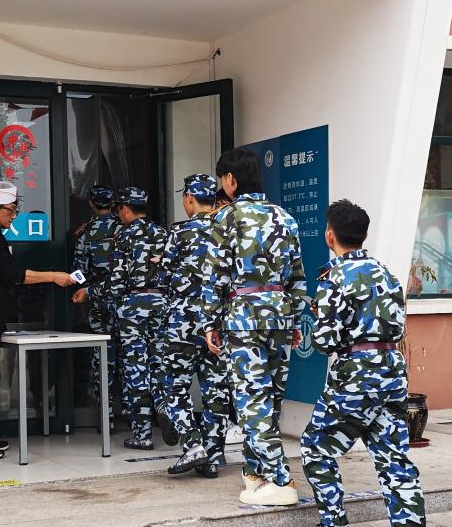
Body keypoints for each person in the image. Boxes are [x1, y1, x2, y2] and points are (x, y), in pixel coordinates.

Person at [296, 199, 438, 527]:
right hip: (392, 375)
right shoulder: (387, 274)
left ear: (330, 236)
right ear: (364, 234)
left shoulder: (335, 278)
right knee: (396, 465)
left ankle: (335, 525)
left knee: (316, 447)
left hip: (354, 378)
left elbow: (324, 341)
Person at [201, 146, 307, 506]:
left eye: (222, 180)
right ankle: (255, 474)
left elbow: (214, 277)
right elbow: (298, 278)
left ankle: (281, 480)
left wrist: (209, 322)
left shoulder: (225, 218)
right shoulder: (285, 217)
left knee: (251, 400)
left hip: (243, 317)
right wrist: (295, 320)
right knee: (269, 399)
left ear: (231, 180)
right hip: (280, 314)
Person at [0, 180, 73, 461]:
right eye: (10, 210)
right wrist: (54, 276)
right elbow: (14, 274)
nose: (13, 216)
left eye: (15, 210)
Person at [156, 174, 231, 478]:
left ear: (188, 198)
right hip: (219, 323)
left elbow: (164, 277)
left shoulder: (179, 232)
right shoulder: (226, 229)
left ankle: (193, 444)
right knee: (217, 391)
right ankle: (212, 458)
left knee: (174, 384)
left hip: (183, 322)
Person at [109, 185, 170, 450]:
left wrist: (97, 297)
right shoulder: (163, 234)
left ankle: (142, 435)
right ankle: (163, 407)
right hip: (161, 302)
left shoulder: (123, 237)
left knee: (136, 368)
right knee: (159, 363)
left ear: (124, 209)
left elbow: (116, 281)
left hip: (133, 305)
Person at [70, 184, 120, 421]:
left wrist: (84, 289)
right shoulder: (124, 227)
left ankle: (106, 416)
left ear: (91, 204)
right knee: (131, 355)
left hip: (96, 299)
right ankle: (133, 413)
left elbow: (77, 272)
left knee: (102, 356)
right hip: (124, 300)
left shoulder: (86, 232)